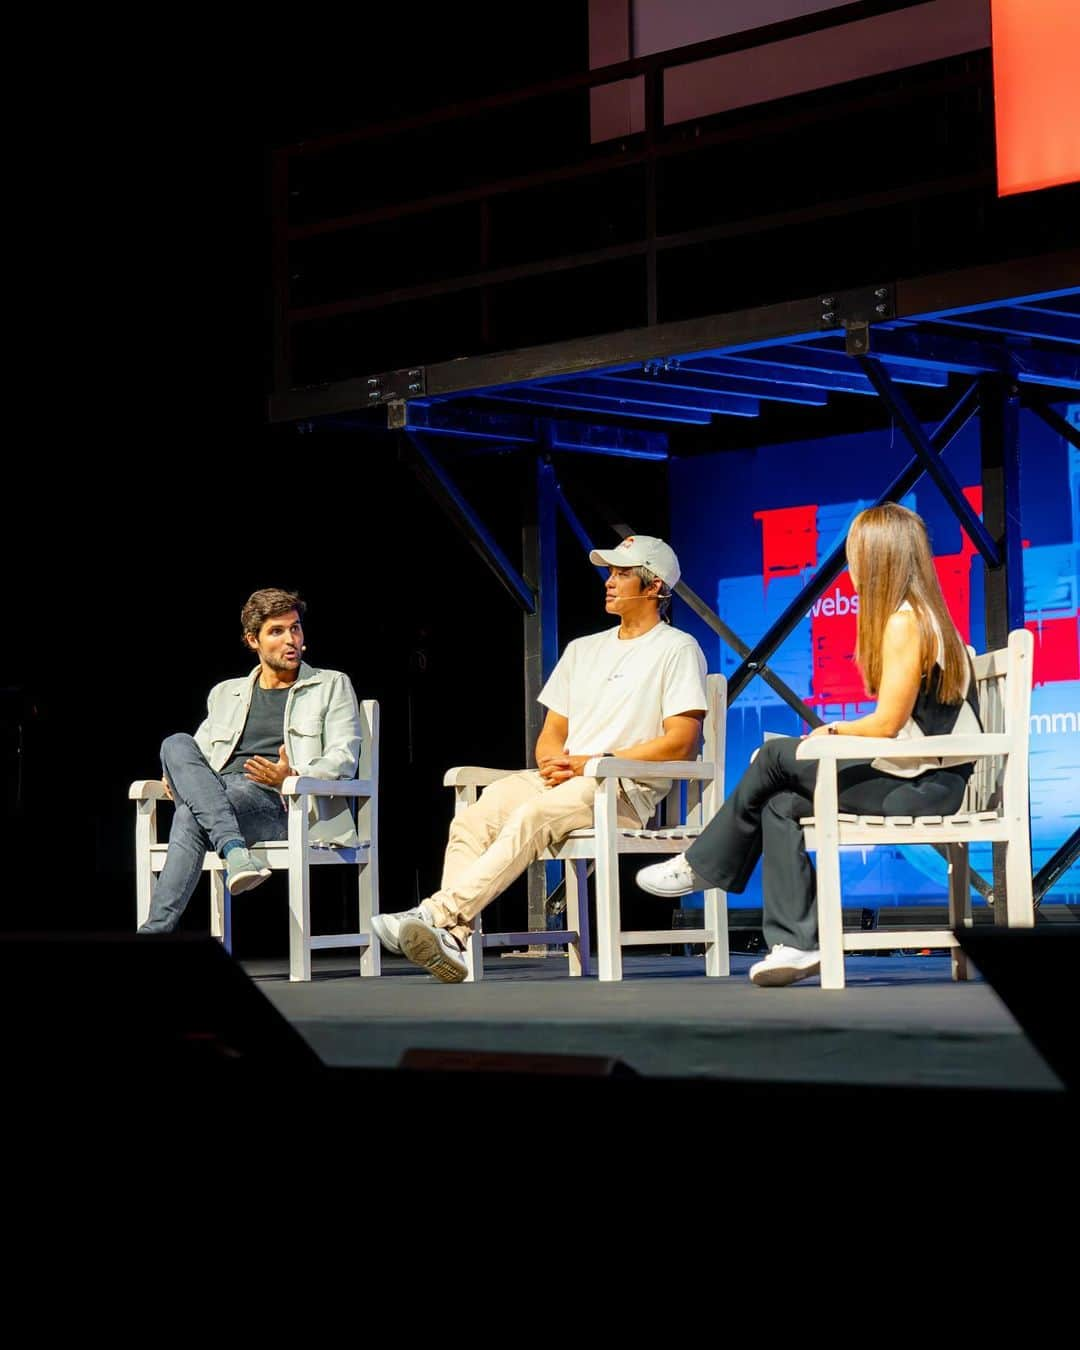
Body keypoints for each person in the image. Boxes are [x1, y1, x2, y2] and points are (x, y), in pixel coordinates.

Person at [636, 502, 982, 987]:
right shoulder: (918, 616)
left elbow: (887, 725)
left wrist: (830, 733)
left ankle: (701, 865)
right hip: (919, 775)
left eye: (856, 555)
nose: (851, 567)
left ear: (881, 558)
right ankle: (795, 943)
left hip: (924, 786)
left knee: (776, 756)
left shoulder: (906, 622)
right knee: (780, 801)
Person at [372, 535, 709, 982]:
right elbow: (552, 736)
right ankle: (453, 936)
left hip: (621, 788)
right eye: (609, 572)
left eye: (622, 573)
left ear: (655, 588)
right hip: (566, 779)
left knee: (533, 814)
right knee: (477, 815)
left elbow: (681, 742)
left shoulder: (677, 647)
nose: (609, 582)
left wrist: (591, 761)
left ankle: (441, 913)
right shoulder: (582, 649)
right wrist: (554, 761)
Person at [137, 588, 363, 933]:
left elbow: (344, 757)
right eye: (277, 631)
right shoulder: (226, 692)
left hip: (280, 802)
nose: (291, 639)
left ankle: (154, 931)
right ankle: (236, 851)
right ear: (252, 640)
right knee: (175, 743)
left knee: (189, 814)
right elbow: (195, 751)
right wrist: (177, 773)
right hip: (219, 793)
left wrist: (292, 775)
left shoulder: (330, 684)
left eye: (296, 628)